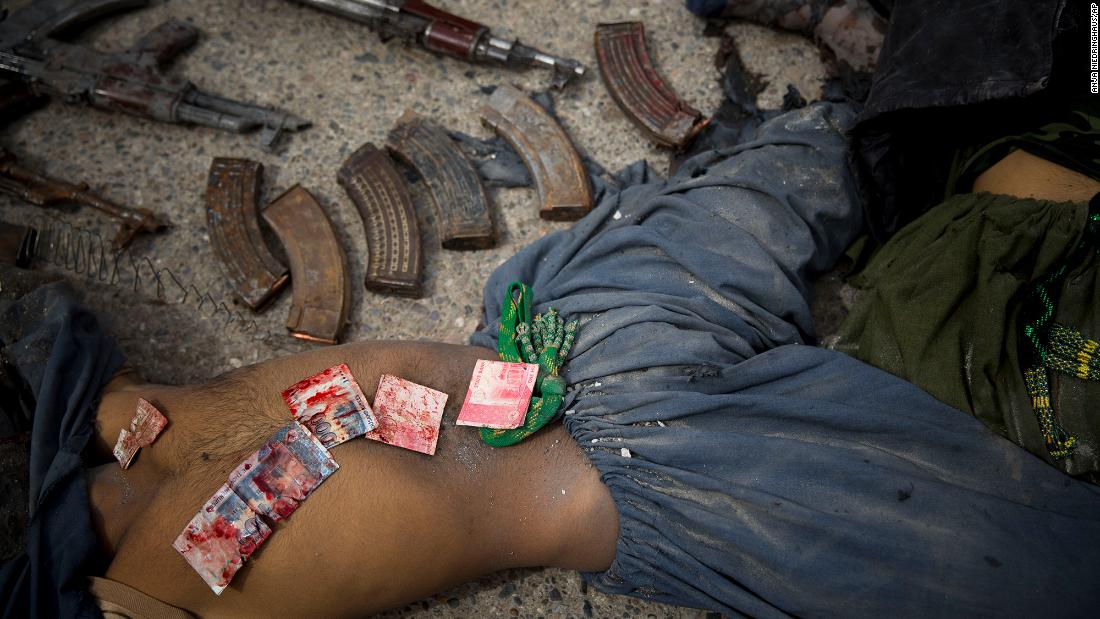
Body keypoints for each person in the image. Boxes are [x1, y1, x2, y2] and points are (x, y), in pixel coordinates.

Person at [4, 2, 1100, 618]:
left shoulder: (106, 420)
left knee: (814, 155)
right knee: (1033, 561)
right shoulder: (135, 575)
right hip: (663, 475)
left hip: (570, 337)